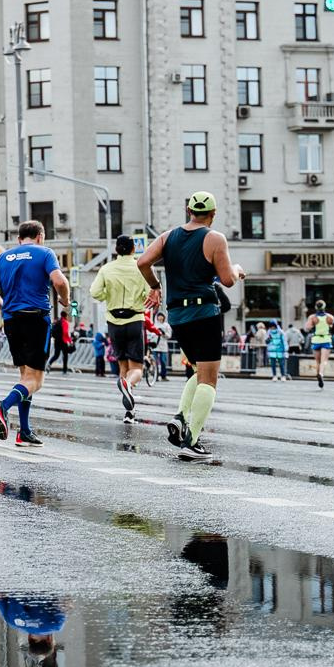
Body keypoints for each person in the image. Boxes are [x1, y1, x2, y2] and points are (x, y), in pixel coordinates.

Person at [137, 191, 244, 463]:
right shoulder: (214, 238)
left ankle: (180, 417)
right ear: (213, 213)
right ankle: (191, 440)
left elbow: (142, 262)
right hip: (204, 313)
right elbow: (228, 281)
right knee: (210, 378)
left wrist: (155, 286)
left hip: (177, 315)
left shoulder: (167, 236)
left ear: (188, 210)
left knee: (199, 370)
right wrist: (238, 270)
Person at [0, 220, 71, 449]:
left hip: (12, 321)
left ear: (19, 239)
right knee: (36, 380)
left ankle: (25, 432)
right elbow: (59, 281)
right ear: (40, 236)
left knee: (25, 378)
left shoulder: (3, 257)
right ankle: (3, 406)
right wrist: (65, 300)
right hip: (36, 319)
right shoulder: (45, 252)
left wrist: (5, 307)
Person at [90, 234, 151, 417]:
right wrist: (140, 298)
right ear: (134, 249)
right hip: (134, 320)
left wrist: (107, 296)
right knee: (137, 369)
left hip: (114, 323)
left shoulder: (107, 269)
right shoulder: (140, 267)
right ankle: (129, 385)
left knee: (123, 367)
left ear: (116, 250)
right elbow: (148, 293)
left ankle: (129, 413)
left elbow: (95, 292)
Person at [303, 301, 334, 389]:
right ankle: (321, 374)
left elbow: (307, 328)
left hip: (316, 339)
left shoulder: (312, 317)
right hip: (326, 339)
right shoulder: (329, 317)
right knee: (324, 360)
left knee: (317, 361)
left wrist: (313, 326)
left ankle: (318, 377)